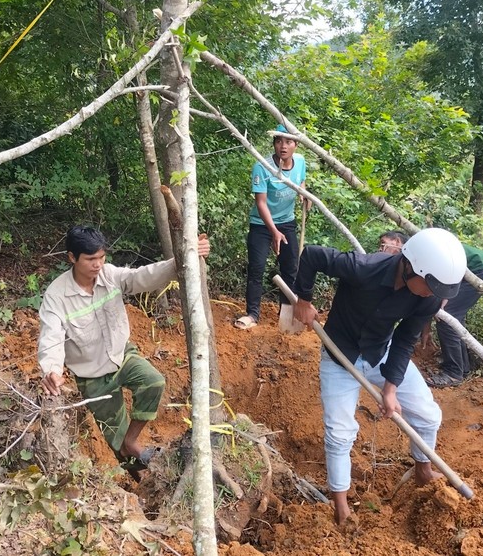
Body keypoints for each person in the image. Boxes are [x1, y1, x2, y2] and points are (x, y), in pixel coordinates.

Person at [293, 228, 467, 524]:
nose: (432, 294)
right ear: (411, 266)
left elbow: (404, 339)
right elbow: (311, 255)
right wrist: (303, 300)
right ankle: (341, 506)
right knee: (339, 434)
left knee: (428, 415)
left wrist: (391, 387)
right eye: (429, 286)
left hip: (380, 352)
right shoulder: (364, 268)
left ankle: (423, 471)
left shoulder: (427, 298)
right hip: (340, 355)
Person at [38, 226, 210, 480]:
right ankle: (139, 479)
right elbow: (50, 336)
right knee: (115, 438)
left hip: (122, 356)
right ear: (72, 258)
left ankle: (133, 442)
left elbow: (142, 277)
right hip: (92, 375)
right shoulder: (57, 296)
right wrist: (51, 369)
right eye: (90, 259)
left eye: (101, 257)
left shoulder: (110, 275)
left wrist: (182, 259)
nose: (98, 264)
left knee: (153, 382)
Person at [235, 124, 309, 330]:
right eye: (278, 141)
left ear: (295, 144)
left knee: (291, 268)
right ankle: (252, 314)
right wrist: (273, 232)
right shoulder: (262, 167)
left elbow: (300, 181)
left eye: (288, 141)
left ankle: (286, 314)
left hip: (287, 222)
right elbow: (261, 203)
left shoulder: (301, 161)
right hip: (261, 224)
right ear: (274, 144)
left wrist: (304, 194)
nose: (283, 146)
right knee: (257, 267)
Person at [424, 244, 483, 388]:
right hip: (479, 268)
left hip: (479, 270)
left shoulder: (424, 251)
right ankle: (463, 367)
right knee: (454, 318)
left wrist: (446, 296)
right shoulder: (425, 248)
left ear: (397, 241)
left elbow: (451, 266)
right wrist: (426, 329)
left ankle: (453, 373)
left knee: (446, 317)